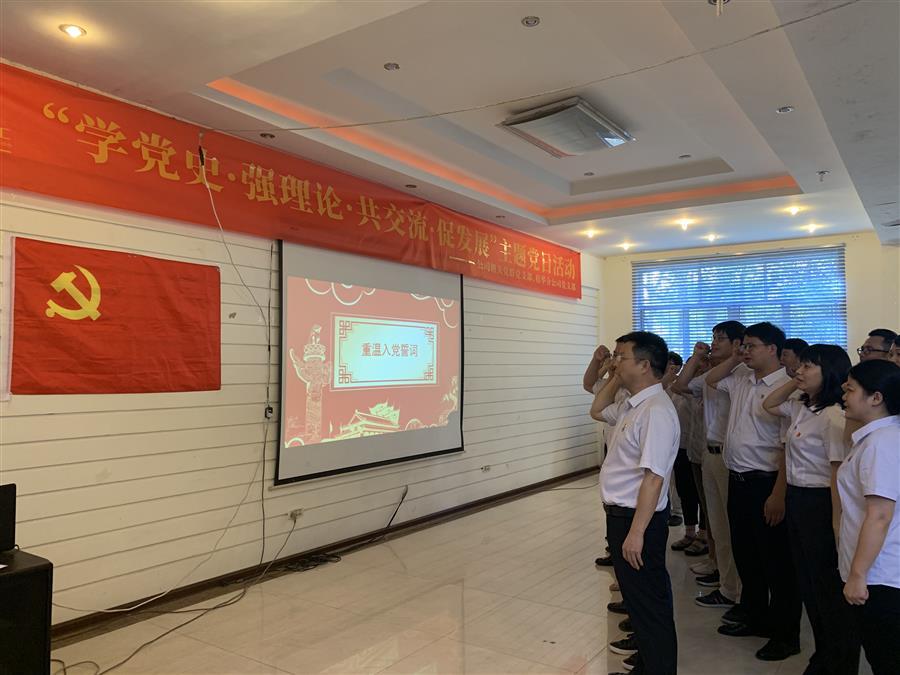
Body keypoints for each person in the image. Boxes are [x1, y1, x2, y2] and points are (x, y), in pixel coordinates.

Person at [705, 321, 802, 662]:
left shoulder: (788, 387)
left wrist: (778, 494)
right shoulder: (741, 378)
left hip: (767, 483)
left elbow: (789, 447)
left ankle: (786, 635)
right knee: (747, 555)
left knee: (777, 563)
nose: (745, 351)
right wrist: (735, 358)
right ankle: (756, 615)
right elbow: (711, 380)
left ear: (773, 349)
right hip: (738, 480)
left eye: (751, 346)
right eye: (743, 345)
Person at [763, 344, 857, 675]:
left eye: (808, 367)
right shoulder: (803, 407)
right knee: (809, 585)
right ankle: (823, 654)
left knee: (827, 589)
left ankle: (839, 661)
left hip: (820, 504)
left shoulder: (833, 416)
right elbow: (768, 403)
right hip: (798, 499)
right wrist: (798, 381)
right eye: (800, 365)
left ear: (828, 373)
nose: (798, 371)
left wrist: (836, 525)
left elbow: (837, 476)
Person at [591, 332, 680, 675]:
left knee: (649, 605)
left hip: (636, 519)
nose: (615, 361)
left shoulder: (656, 411)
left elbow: (654, 477)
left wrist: (637, 532)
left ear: (644, 365)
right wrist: (616, 376)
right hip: (624, 516)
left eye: (621, 356)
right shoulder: (635, 404)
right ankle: (645, 666)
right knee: (638, 603)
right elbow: (597, 409)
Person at [673, 321, 746, 611]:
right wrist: (695, 357)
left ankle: (735, 589)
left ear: (738, 344)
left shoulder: (742, 373)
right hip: (708, 453)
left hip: (730, 456)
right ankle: (726, 582)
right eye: (713, 337)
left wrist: (732, 359)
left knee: (730, 526)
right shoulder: (713, 374)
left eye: (721, 338)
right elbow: (680, 385)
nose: (714, 343)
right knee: (717, 524)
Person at [836, 359, 900, 675]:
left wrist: (858, 575)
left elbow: (880, 515)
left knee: (887, 659)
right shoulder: (873, 438)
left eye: (850, 390)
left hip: (880, 574)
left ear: (876, 398)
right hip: (873, 569)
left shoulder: (881, 444)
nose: (843, 396)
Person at [667, 352, 708, 555]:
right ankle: (689, 531)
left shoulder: (701, 387)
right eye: (691, 364)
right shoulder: (678, 388)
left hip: (702, 448)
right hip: (682, 446)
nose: (695, 368)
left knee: (703, 495)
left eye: (700, 364)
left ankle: (704, 534)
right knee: (686, 491)